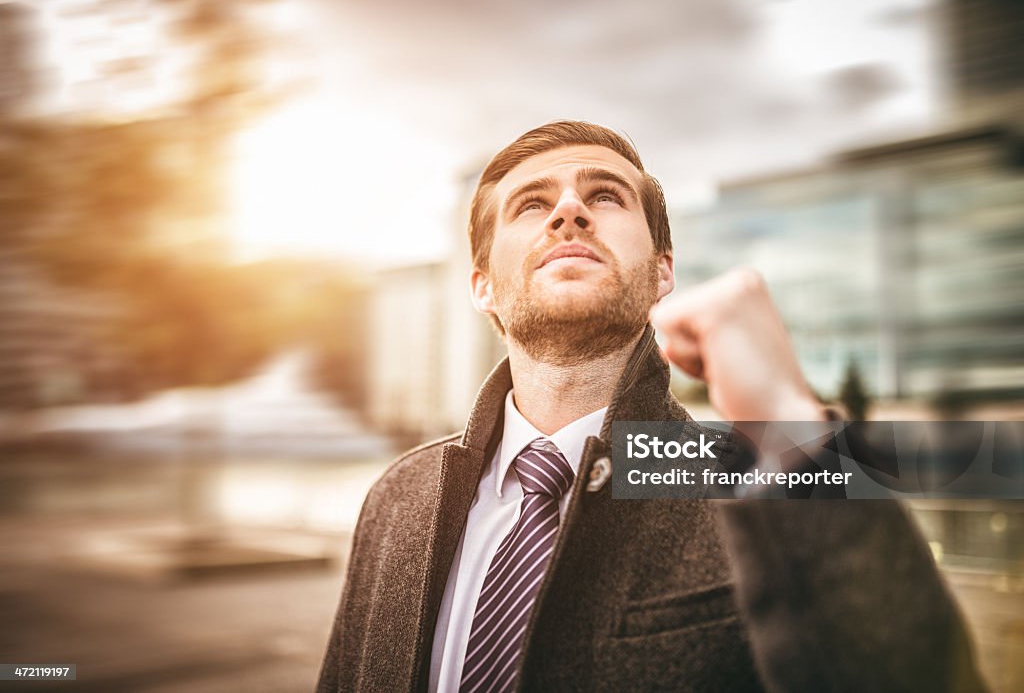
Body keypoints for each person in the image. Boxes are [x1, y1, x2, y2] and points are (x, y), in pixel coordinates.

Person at [316, 121, 986, 692]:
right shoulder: (396, 498)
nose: (569, 211)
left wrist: (788, 423)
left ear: (664, 270)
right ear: (482, 286)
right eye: (530, 204)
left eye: (604, 196)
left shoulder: (754, 485)